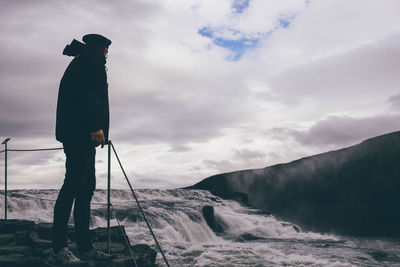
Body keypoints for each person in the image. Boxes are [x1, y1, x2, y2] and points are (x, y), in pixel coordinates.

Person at [49, 34, 112, 264]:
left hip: (79, 134)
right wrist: (96, 127)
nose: (107, 55)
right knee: (74, 187)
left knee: (85, 189)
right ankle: (58, 250)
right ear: (102, 48)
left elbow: (87, 95)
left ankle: (84, 246)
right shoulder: (93, 60)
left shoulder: (83, 59)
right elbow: (90, 96)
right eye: (107, 50)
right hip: (82, 135)